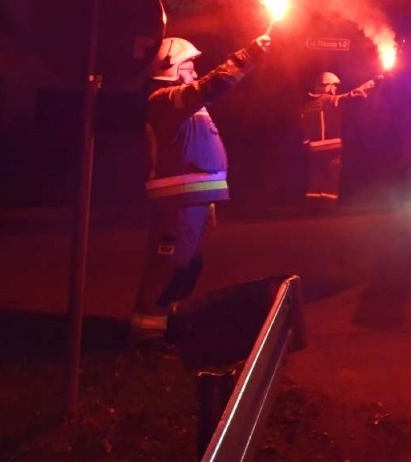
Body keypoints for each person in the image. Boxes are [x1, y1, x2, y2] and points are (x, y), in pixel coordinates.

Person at [130, 32, 271, 347]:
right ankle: (148, 336)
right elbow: (210, 87)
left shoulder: (182, 104)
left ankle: (170, 326)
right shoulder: (164, 100)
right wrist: (246, 57)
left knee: (188, 265)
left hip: (192, 201)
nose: (194, 69)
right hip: (177, 204)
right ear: (171, 68)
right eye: (189, 64)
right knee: (170, 265)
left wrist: (208, 200)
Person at [300, 71, 377, 201]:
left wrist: (306, 144)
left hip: (313, 150)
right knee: (330, 179)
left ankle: (313, 206)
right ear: (327, 86)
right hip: (331, 149)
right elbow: (351, 95)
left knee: (315, 178)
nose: (335, 88)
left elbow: (304, 128)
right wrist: (372, 83)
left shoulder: (307, 106)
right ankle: (327, 207)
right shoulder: (330, 100)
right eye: (333, 85)